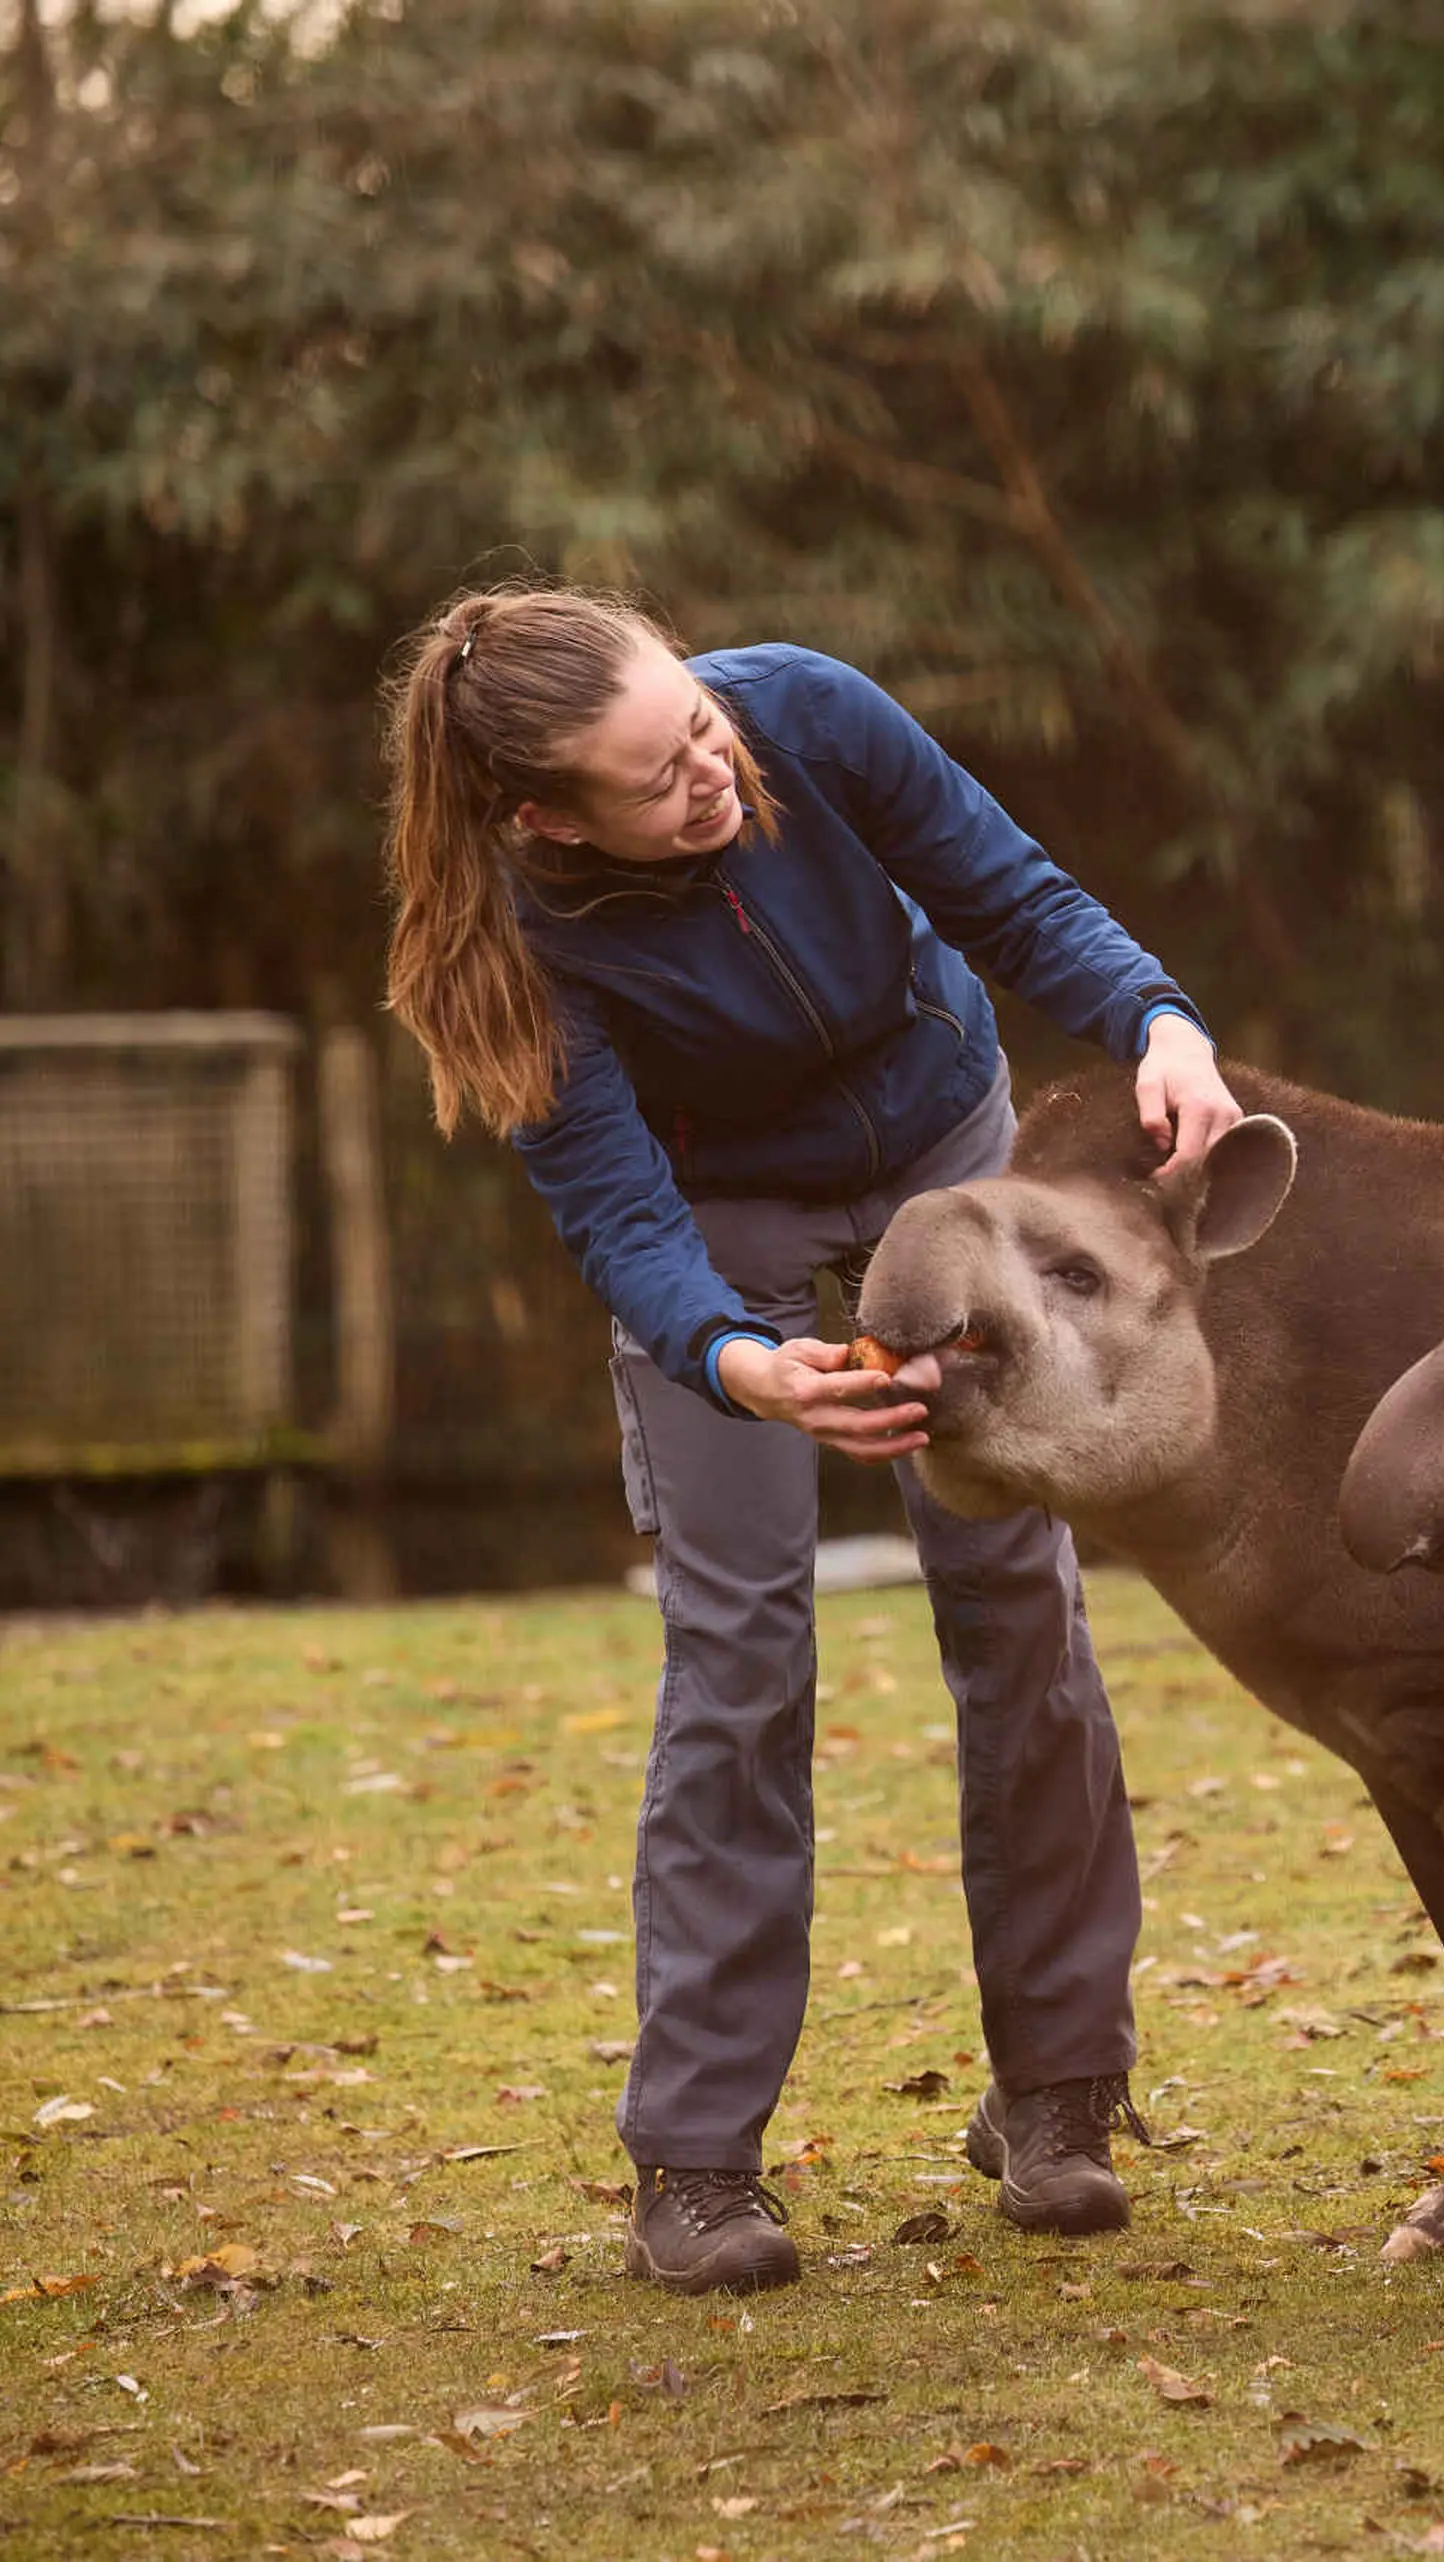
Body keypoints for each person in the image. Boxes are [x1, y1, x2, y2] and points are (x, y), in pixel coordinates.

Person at [378, 583, 1242, 2295]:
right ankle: (695, 2161)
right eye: (659, 771)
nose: (713, 766)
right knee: (743, 1656)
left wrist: (1156, 1016)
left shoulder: (803, 710)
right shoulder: (522, 936)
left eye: (696, 721)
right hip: (722, 1228)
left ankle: (1059, 2091)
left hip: (940, 1151)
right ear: (547, 815)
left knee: (1019, 1606)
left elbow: (1007, 887)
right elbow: (617, 1205)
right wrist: (736, 1359)